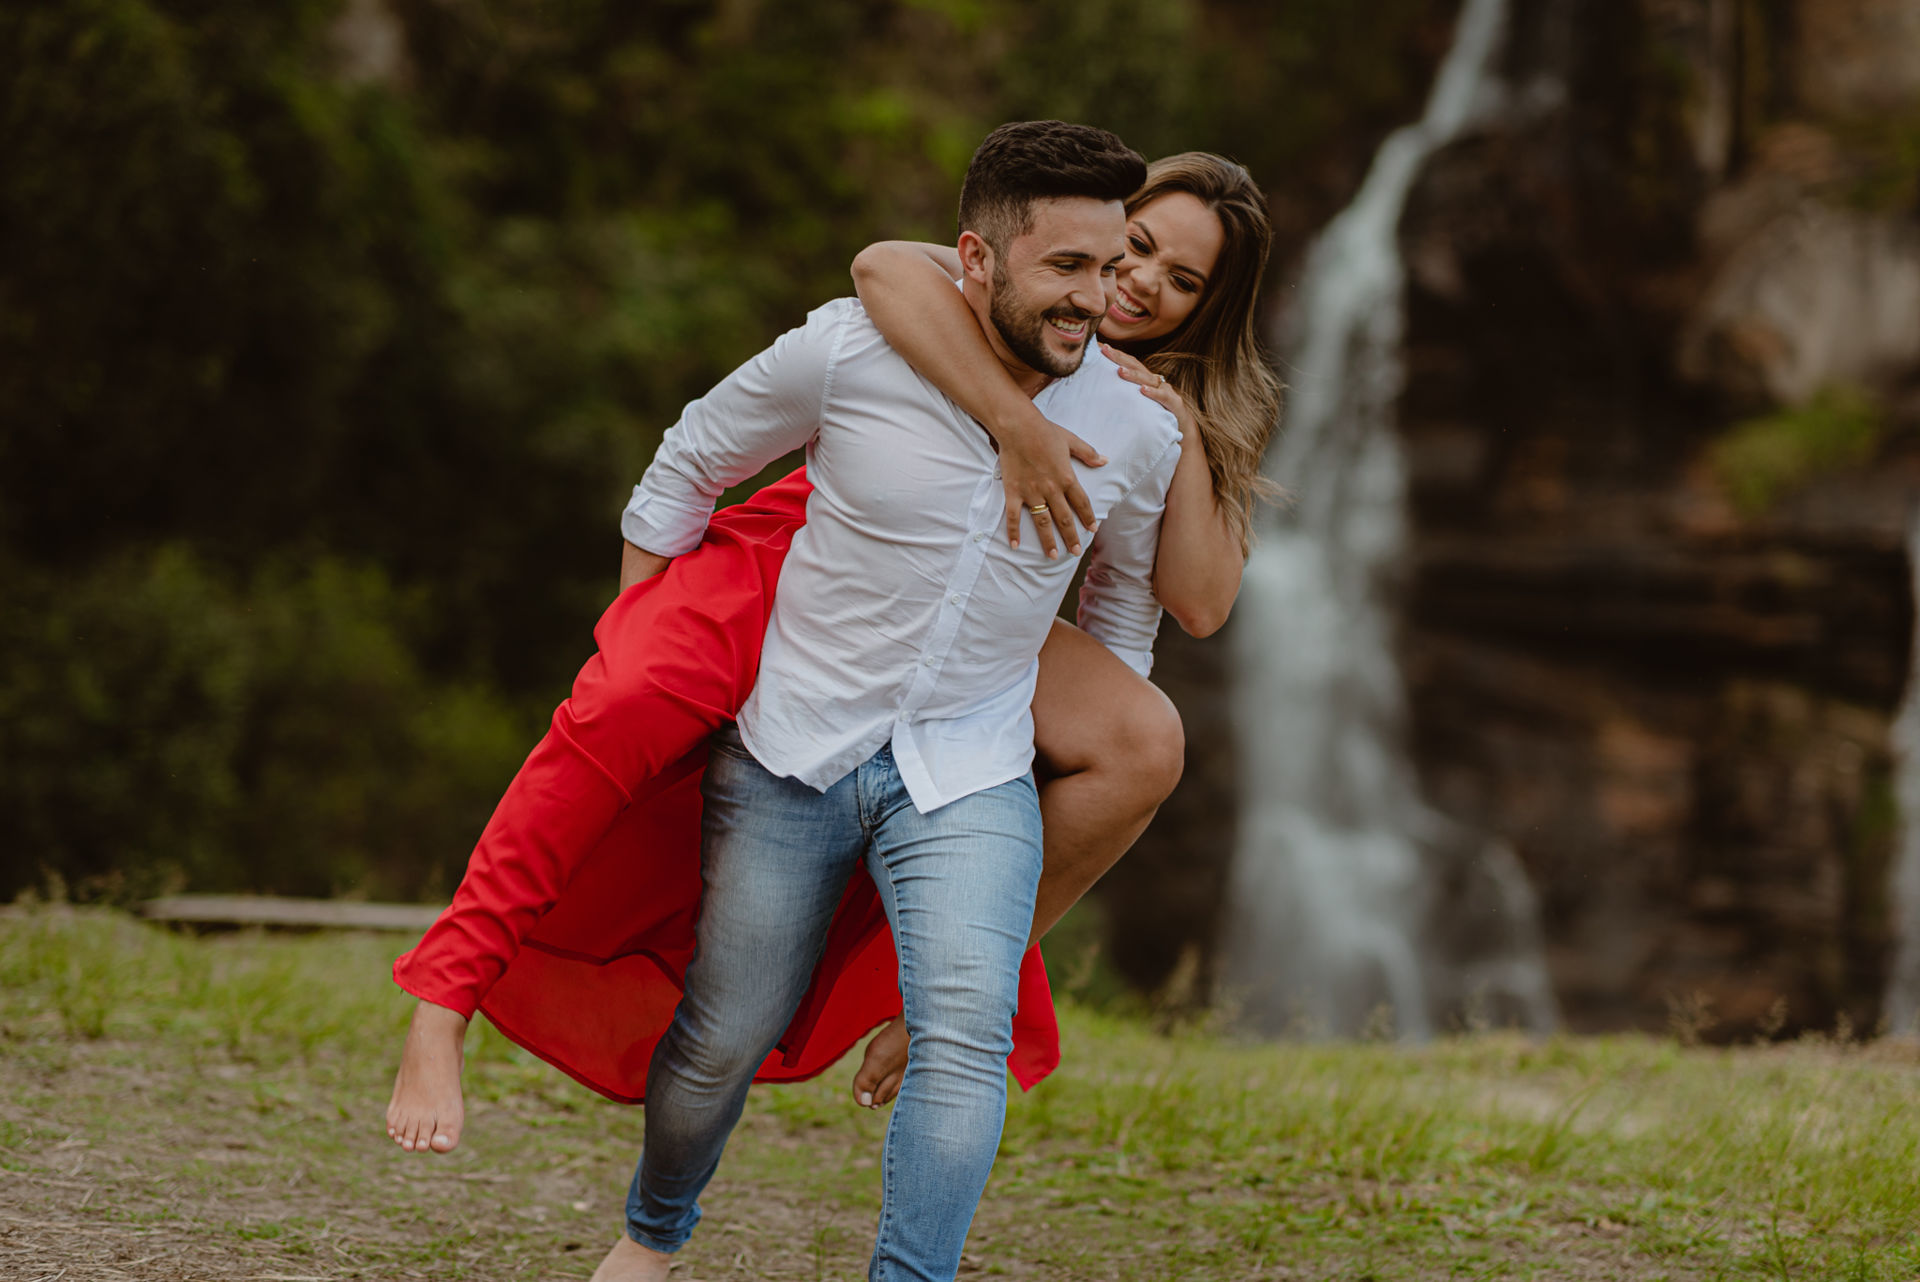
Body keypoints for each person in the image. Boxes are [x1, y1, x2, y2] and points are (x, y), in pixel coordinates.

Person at [384, 148, 1280, 1149]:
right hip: (814, 544)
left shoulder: (1150, 422)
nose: (1144, 281)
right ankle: (446, 995)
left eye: (1184, 279)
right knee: (625, 701)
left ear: (1210, 308)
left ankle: (947, 990)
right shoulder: (987, 288)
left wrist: (1187, 423)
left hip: (979, 611)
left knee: (1142, 738)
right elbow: (883, 268)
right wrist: (1013, 419)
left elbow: (1160, 608)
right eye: (1139, 246)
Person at [589, 120, 1175, 1281]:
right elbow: (688, 465)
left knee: (965, 1045)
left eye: (1111, 270)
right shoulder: (850, 353)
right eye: (1067, 268)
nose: (1097, 299)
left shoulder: (1137, 427)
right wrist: (633, 670)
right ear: (977, 258)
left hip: (971, 772)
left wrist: (1084, 729)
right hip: (788, 755)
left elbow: (1122, 612)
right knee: (721, 1039)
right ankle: (653, 1234)